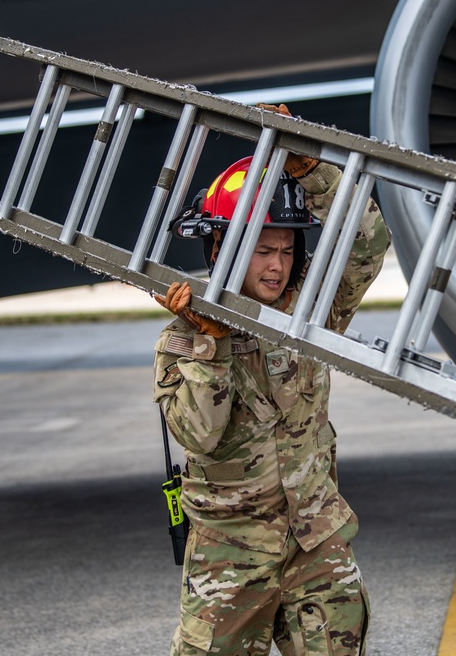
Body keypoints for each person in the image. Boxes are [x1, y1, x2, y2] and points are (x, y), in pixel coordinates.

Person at [153, 103, 391, 656]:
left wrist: (311, 168)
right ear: (222, 249)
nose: (277, 266)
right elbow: (200, 435)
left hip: (316, 540)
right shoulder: (180, 341)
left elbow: (367, 246)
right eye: (263, 250)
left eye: (285, 250)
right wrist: (211, 346)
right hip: (231, 554)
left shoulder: (309, 314)